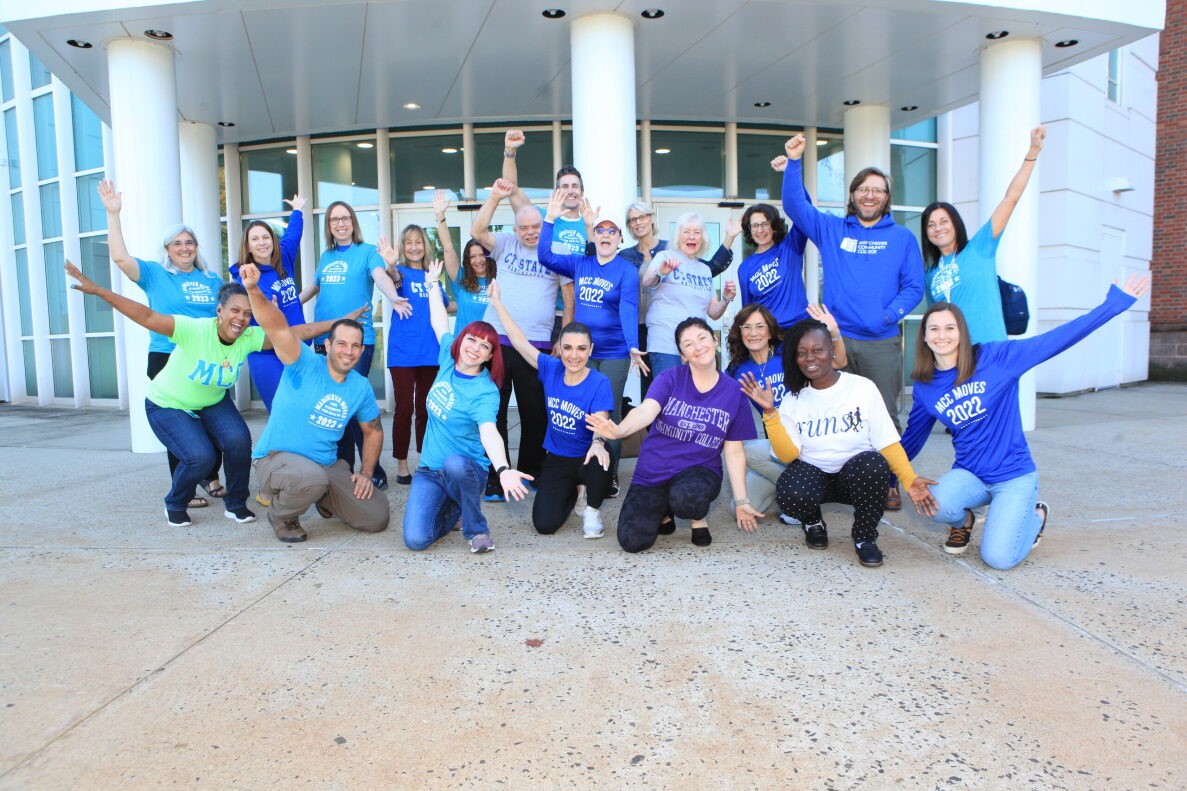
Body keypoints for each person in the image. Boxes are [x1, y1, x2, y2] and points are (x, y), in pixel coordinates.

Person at [64, 261, 360, 529]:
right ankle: (175, 502)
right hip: (168, 403)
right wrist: (100, 291)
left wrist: (339, 325)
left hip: (212, 401)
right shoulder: (193, 330)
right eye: (234, 310)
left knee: (239, 441)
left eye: (247, 313)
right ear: (219, 311)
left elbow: (298, 332)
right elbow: (147, 315)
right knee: (201, 457)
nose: (241, 318)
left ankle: (235, 503)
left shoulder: (249, 337)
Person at [901, 274, 1150, 568]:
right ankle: (965, 519)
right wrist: (889, 476)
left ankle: (1035, 516)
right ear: (925, 336)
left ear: (961, 332)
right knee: (929, 504)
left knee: (998, 558)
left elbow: (1059, 339)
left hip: (1013, 476)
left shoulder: (997, 358)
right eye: (934, 329)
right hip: (971, 475)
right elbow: (912, 439)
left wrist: (1114, 305)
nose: (942, 335)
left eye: (949, 328)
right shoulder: (926, 385)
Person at [782, 134, 925, 512]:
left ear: (886, 198)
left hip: (881, 343)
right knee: (832, 414)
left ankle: (889, 482)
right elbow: (795, 206)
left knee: (884, 414)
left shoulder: (902, 237)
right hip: (835, 340)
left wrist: (888, 315)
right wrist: (794, 162)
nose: (869, 195)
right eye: (863, 188)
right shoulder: (833, 230)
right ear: (853, 194)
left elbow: (914, 287)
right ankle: (839, 478)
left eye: (877, 190)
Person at [741, 319, 936, 568]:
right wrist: (770, 413)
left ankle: (864, 537)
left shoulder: (861, 388)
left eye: (817, 350)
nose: (810, 358)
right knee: (789, 490)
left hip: (854, 477)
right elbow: (788, 455)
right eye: (802, 353)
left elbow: (887, 442)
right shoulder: (793, 398)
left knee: (875, 464)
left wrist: (909, 479)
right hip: (815, 476)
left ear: (832, 350)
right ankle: (813, 522)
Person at [240, 263, 390, 544]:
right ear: (329, 346)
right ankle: (282, 515)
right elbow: (277, 327)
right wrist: (252, 290)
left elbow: (373, 430)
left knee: (376, 516)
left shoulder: (360, 386)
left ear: (361, 349)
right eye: (342, 344)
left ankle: (323, 496)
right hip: (275, 459)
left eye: (355, 345)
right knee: (310, 479)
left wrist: (366, 473)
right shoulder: (303, 362)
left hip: (325, 466)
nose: (348, 351)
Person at [97, 179, 225, 509]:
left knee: (211, 417)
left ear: (197, 247)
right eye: (177, 243)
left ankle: (210, 476)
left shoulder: (212, 280)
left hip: (205, 360)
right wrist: (114, 215)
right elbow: (121, 258)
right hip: (167, 357)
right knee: (179, 425)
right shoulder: (156, 274)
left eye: (190, 243)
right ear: (167, 249)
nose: (185, 248)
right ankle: (184, 486)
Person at [587, 318, 762, 552]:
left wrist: (742, 502)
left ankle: (697, 518)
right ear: (682, 354)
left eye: (702, 338)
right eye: (688, 344)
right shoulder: (669, 378)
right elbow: (646, 410)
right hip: (654, 471)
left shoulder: (733, 392)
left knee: (687, 498)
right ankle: (663, 512)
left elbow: (734, 450)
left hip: (699, 472)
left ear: (714, 340)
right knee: (632, 542)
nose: (698, 347)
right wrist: (619, 430)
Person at [403, 261, 532, 554]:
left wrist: (503, 469)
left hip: (467, 470)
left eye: (484, 345)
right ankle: (453, 510)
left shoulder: (485, 391)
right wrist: (432, 285)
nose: (474, 347)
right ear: (462, 340)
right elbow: (438, 321)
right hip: (429, 472)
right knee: (416, 540)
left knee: (455, 463)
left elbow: (489, 432)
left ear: (489, 355)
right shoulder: (448, 358)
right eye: (471, 339)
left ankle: (477, 529)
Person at [537, 189, 647, 500]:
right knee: (579, 411)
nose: (606, 235)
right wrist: (549, 218)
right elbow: (545, 255)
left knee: (604, 415)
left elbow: (628, 308)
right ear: (594, 236)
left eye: (612, 231)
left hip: (613, 353)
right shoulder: (581, 264)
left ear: (619, 239)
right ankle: (578, 467)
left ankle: (606, 473)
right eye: (601, 230)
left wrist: (631, 346)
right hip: (579, 354)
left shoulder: (626, 270)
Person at [470, 177, 573, 500]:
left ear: (545, 225)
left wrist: (563, 336)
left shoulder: (557, 251)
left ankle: (531, 472)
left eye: (535, 226)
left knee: (534, 413)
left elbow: (569, 301)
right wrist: (495, 198)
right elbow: (476, 231)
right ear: (515, 230)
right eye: (524, 227)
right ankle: (495, 477)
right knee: (493, 410)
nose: (530, 232)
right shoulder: (503, 244)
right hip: (496, 343)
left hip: (536, 345)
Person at [488, 282, 615, 538]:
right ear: (560, 348)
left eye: (581, 348)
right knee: (544, 525)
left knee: (602, 457)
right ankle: (574, 491)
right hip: (557, 459)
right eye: (567, 348)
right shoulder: (551, 368)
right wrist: (498, 305)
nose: (574, 355)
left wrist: (599, 442)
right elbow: (519, 342)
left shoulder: (599, 382)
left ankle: (591, 508)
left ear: (590, 350)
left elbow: (601, 423)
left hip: (587, 456)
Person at [300, 201, 411, 491]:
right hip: (325, 341)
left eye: (345, 218)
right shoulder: (326, 256)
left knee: (355, 408)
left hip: (355, 342)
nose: (341, 223)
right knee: (334, 408)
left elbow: (380, 277)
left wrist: (393, 298)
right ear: (329, 225)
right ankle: (342, 471)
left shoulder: (366, 253)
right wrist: (286, 306)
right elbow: (313, 289)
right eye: (335, 219)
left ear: (353, 223)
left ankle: (372, 471)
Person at [922, 126, 1046, 344]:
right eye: (931, 225)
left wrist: (1032, 152)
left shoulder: (980, 248)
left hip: (990, 350)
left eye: (944, 221)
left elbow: (1010, 199)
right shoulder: (931, 273)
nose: (938, 228)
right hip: (955, 357)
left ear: (956, 224)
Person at [725, 303, 847, 520]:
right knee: (740, 507)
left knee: (749, 452)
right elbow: (721, 403)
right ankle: (795, 495)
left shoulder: (787, 355)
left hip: (809, 439)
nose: (753, 333)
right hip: (779, 444)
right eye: (746, 327)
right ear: (739, 332)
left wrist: (835, 333)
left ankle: (804, 495)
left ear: (770, 331)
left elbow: (839, 363)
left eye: (760, 326)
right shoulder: (738, 370)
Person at [377, 190, 457, 486]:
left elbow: (447, 304)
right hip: (403, 353)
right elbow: (392, 280)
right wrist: (389, 263)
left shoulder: (432, 274)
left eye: (418, 242)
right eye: (408, 243)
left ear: (426, 246)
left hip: (431, 353)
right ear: (402, 247)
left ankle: (425, 460)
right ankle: (401, 463)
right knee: (404, 410)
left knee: (426, 409)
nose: (413, 247)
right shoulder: (398, 274)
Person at [621, 201, 739, 390]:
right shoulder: (665, 256)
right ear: (678, 236)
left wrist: (726, 298)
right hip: (665, 344)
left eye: (697, 232)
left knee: (694, 398)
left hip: (695, 348)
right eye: (686, 232)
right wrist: (661, 271)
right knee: (668, 400)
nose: (691, 236)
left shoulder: (704, 270)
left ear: (703, 238)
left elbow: (714, 313)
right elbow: (647, 281)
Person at [229, 195, 306, 410]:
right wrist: (265, 306)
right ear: (248, 246)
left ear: (273, 240)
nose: (262, 243)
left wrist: (298, 210)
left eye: (265, 237)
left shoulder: (284, 258)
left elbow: (293, 234)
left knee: (303, 410)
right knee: (282, 411)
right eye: (255, 239)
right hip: (266, 353)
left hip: (299, 346)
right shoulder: (245, 276)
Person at [736, 159, 811, 328]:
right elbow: (748, 311)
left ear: (774, 226)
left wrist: (790, 172)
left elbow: (804, 208)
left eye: (765, 224)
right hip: (769, 335)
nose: (760, 230)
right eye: (755, 225)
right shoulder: (745, 268)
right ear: (749, 230)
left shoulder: (791, 247)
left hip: (799, 330)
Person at [448, 238, 496, 331]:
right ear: (468, 260)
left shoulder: (499, 280)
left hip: (489, 343)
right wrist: (440, 222)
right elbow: (448, 249)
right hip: (463, 343)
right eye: (473, 256)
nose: (478, 260)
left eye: (482, 255)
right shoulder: (461, 278)